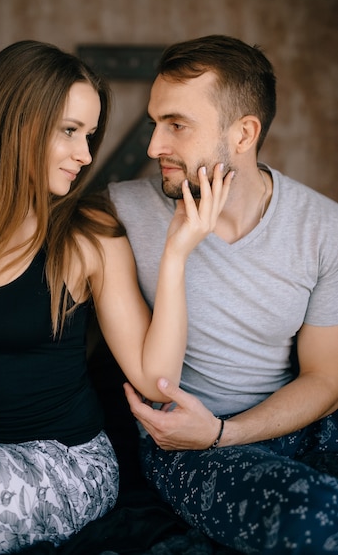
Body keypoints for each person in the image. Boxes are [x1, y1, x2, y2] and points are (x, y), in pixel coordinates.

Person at [0, 40, 232, 554]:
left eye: (90, 136)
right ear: (13, 121)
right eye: (70, 131)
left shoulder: (86, 234)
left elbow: (157, 377)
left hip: (60, 467)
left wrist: (178, 253)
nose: (85, 156)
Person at [108, 34, 338, 555]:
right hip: (184, 447)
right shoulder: (119, 215)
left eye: (177, 125)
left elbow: (325, 378)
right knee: (319, 518)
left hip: (295, 426)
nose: (153, 148)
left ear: (244, 133)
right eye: (154, 123)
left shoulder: (325, 228)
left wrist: (227, 432)